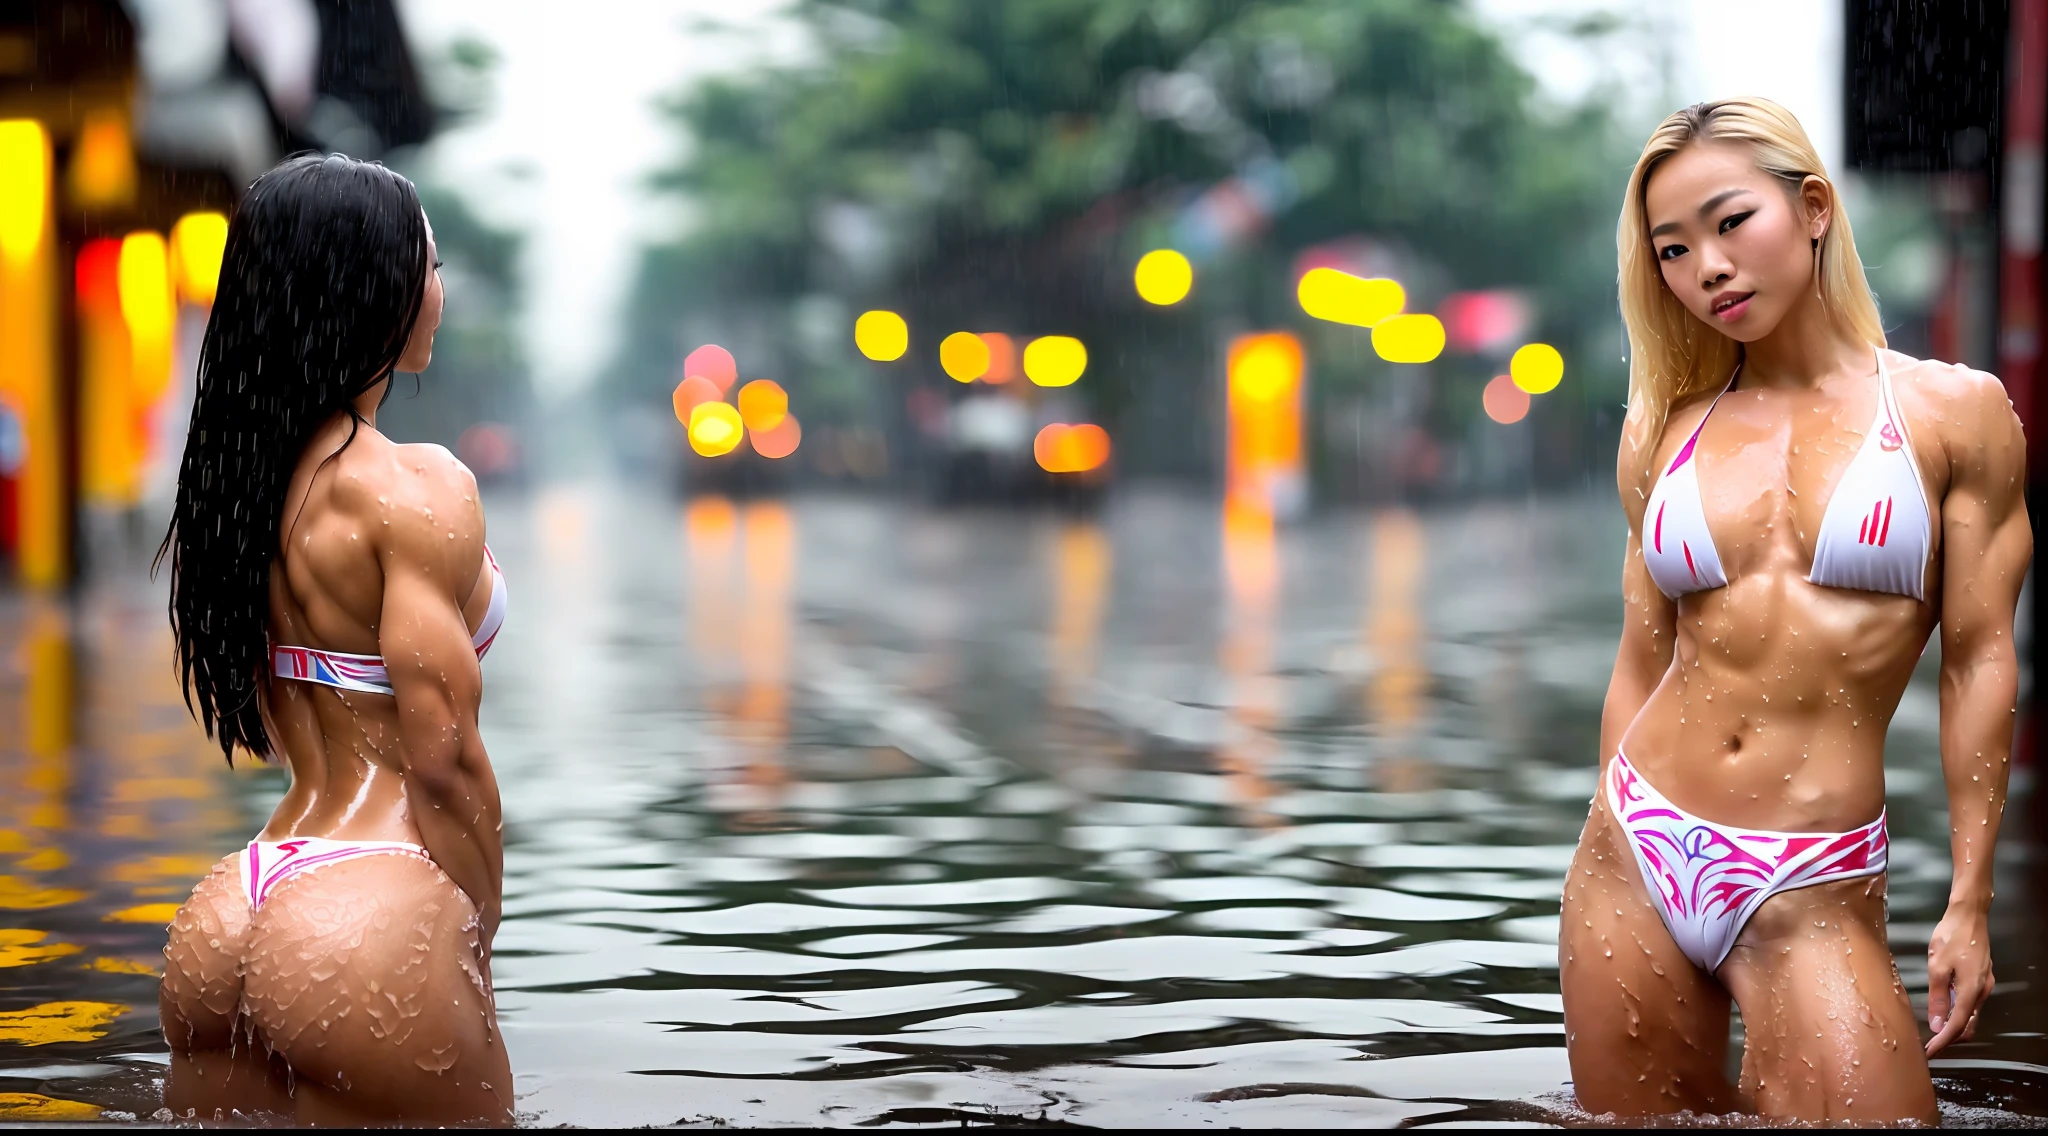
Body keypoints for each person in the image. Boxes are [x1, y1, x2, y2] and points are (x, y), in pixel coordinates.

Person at [1559, 98, 2028, 1124]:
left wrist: (1966, 900)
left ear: (1811, 207)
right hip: (1632, 848)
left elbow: (1979, 660)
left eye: (1731, 223)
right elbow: (1639, 659)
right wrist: (1608, 821)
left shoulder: (1952, 413)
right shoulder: (1664, 430)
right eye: (1672, 248)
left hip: (1808, 872)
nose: (1707, 267)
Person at [155, 153, 512, 1126]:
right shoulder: (414, 486)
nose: (440, 290)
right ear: (381, 288)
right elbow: (443, 754)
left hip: (237, 906)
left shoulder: (235, 490)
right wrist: (472, 932)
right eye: (431, 265)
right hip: (376, 901)